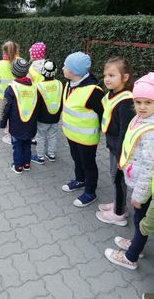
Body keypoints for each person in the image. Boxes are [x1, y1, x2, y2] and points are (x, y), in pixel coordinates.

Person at [105, 72, 154, 270]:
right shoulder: (141, 119)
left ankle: (131, 257)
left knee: (140, 219)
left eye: (148, 103)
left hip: (145, 188)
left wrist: (140, 195)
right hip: (138, 182)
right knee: (138, 218)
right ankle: (136, 243)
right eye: (138, 101)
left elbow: (150, 167)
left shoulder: (151, 132)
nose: (141, 107)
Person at [61, 51, 104, 207]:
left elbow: (103, 114)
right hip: (72, 135)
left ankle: (90, 192)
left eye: (66, 66)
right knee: (76, 159)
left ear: (74, 72)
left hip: (87, 139)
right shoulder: (69, 84)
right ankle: (80, 180)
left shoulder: (93, 92)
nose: (63, 69)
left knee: (88, 164)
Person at [96, 58, 135, 226]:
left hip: (120, 150)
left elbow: (125, 133)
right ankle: (120, 203)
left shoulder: (126, 102)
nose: (107, 79)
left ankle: (119, 213)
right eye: (105, 75)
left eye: (112, 75)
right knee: (116, 178)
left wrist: (120, 157)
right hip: (113, 146)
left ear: (125, 78)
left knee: (117, 179)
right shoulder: (112, 94)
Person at [0, 58, 38, 174]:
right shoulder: (34, 87)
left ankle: (18, 166)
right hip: (31, 123)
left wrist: (3, 122)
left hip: (16, 123)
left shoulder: (11, 88)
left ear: (13, 72)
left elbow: (6, 107)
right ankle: (26, 164)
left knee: (17, 145)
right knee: (27, 144)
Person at [31, 59, 63, 165]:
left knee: (41, 136)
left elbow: (36, 104)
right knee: (53, 135)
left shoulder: (39, 86)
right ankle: (51, 154)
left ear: (43, 71)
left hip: (42, 118)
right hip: (55, 116)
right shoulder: (59, 84)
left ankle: (40, 156)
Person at [0, 41, 19, 145]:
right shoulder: (20, 61)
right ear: (16, 50)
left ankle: (9, 135)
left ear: (4, 51)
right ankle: (17, 131)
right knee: (16, 113)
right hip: (18, 92)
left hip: (4, 93)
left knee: (6, 113)